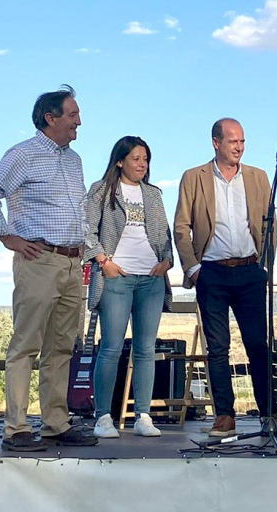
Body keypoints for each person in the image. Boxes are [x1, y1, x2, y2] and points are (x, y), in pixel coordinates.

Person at [0, 85, 97, 451]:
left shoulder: (74, 160)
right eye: (73, 114)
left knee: (61, 348)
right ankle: (16, 429)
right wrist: (6, 236)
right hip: (38, 260)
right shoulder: (23, 154)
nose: (79, 121)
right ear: (50, 117)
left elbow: (78, 209)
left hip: (72, 262)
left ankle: (56, 423)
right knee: (26, 345)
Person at [174, 118, 277, 437]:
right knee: (218, 347)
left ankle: (269, 414)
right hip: (212, 272)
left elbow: (269, 225)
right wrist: (193, 269)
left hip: (250, 271)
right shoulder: (194, 177)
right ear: (216, 142)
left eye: (242, 141)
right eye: (233, 141)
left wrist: (264, 265)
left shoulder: (258, 177)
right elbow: (181, 226)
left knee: (258, 344)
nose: (239, 147)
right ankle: (224, 415)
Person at [84, 136, 174, 439]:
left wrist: (167, 261)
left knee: (146, 349)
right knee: (111, 347)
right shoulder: (101, 190)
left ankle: (143, 416)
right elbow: (86, 229)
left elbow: (164, 233)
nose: (142, 164)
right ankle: (103, 417)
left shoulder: (153, 194)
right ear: (120, 161)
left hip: (151, 278)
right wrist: (102, 260)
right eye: (136, 158)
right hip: (116, 277)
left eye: (145, 159)